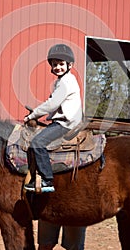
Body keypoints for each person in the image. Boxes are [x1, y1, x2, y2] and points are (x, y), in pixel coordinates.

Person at [24, 43, 82, 193]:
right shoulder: (63, 81)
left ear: (69, 65)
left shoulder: (66, 82)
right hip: (65, 120)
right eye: (55, 64)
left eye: (61, 64)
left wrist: (32, 115)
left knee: (37, 142)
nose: (58, 67)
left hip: (66, 123)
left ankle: (46, 180)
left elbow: (51, 104)